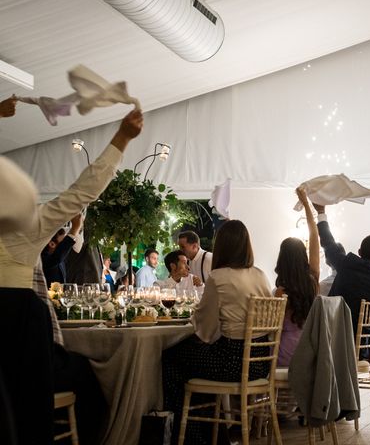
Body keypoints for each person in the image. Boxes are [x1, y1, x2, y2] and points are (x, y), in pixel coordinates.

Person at [0, 105, 144, 444]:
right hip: (22, 344)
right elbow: (82, 191)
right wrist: (122, 138)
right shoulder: (27, 228)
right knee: (90, 377)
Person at [162, 220, 272, 444]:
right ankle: (214, 434)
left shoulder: (219, 277)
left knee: (169, 357)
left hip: (232, 362)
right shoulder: (260, 275)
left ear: (221, 246)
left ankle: (190, 437)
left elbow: (204, 330)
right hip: (261, 363)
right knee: (196, 361)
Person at [313, 202, 370, 337]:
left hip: (335, 338)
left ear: (359, 252)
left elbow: (328, 243)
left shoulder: (348, 264)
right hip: (363, 343)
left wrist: (321, 212)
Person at [274, 188, 319, 367]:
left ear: (282, 260)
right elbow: (315, 236)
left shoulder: (280, 292)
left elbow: (270, 328)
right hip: (310, 353)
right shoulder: (313, 281)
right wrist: (306, 204)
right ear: (303, 257)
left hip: (285, 355)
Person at [40, 213, 83, 284]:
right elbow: (57, 257)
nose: (65, 245)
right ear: (52, 244)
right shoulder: (41, 258)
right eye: (63, 241)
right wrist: (75, 228)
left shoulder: (60, 258)